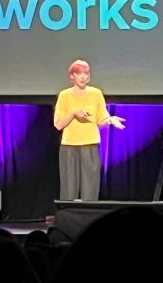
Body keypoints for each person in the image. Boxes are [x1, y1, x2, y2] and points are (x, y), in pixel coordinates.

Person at [52, 58, 125, 201]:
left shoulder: (96, 94)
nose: (83, 76)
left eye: (86, 73)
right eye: (79, 73)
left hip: (90, 146)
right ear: (72, 76)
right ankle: (69, 220)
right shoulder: (64, 95)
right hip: (69, 148)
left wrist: (110, 120)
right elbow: (58, 124)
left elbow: (101, 119)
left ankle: (89, 220)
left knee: (90, 191)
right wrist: (73, 112)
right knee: (68, 191)